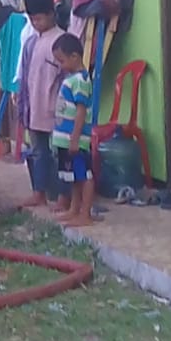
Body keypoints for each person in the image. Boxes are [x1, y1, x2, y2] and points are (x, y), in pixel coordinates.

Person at [18, 0, 65, 208]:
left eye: (40, 19)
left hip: (56, 107)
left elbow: (67, 75)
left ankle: (62, 196)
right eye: (32, 20)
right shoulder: (30, 42)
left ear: (51, 15)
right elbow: (25, 74)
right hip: (34, 106)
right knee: (38, 152)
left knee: (59, 153)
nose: (36, 23)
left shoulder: (62, 41)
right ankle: (39, 193)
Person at [51, 32, 98, 227]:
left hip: (75, 139)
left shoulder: (80, 81)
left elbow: (80, 112)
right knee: (74, 177)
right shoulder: (72, 79)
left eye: (61, 61)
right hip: (66, 138)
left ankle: (85, 213)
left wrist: (75, 138)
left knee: (84, 176)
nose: (60, 65)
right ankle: (74, 208)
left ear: (74, 57)